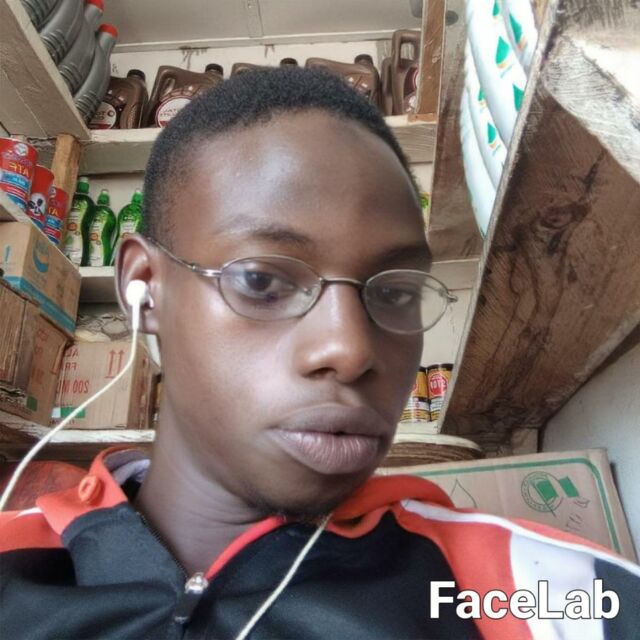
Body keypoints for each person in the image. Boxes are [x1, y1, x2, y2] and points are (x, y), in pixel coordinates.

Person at [1, 68, 638, 640]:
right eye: (262, 281)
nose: (351, 349)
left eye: (394, 292)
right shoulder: (17, 576)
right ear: (145, 290)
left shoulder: (545, 596)